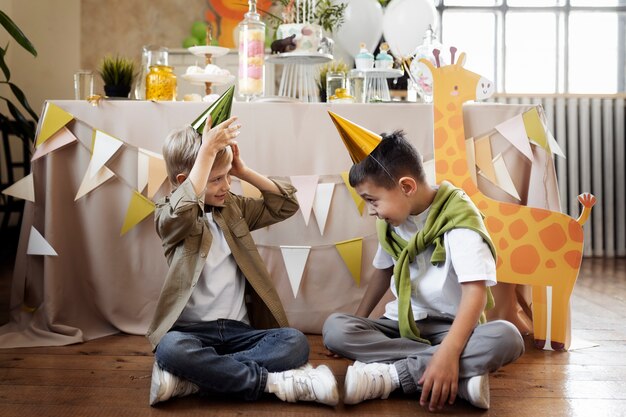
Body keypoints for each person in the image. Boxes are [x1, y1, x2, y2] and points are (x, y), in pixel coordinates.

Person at [322, 124, 525, 412]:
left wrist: (450, 348)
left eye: (372, 200)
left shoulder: (459, 219)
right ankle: (453, 374)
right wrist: (359, 319)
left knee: (507, 337)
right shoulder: (391, 222)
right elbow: (383, 273)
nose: (371, 210)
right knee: (335, 328)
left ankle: (392, 376)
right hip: (399, 325)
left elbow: (475, 294)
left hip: (452, 328)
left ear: (406, 187)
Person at [147, 116, 338, 407]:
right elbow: (181, 211)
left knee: (295, 342)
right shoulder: (168, 215)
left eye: (228, 176)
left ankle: (197, 378)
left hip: (241, 332)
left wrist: (245, 171)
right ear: (186, 181)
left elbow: (286, 204)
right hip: (192, 334)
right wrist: (206, 153)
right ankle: (271, 383)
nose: (227, 185)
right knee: (169, 349)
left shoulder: (233, 207)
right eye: (216, 179)